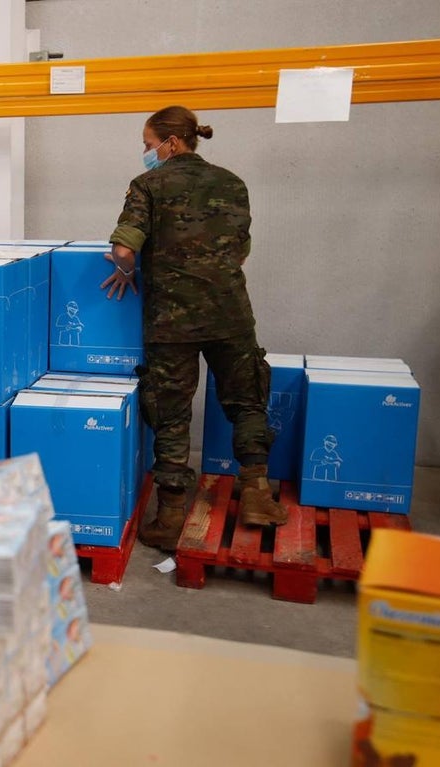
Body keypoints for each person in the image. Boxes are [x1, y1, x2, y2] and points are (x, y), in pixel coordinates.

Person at [101, 106, 286, 551]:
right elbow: (240, 250)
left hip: (172, 323)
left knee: (171, 412)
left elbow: (124, 250)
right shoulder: (232, 183)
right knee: (246, 400)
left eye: (149, 145)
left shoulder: (148, 184)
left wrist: (126, 272)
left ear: (172, 142)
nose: (147, 153)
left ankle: (168, 517)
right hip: (230, 315)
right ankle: (258, 491)